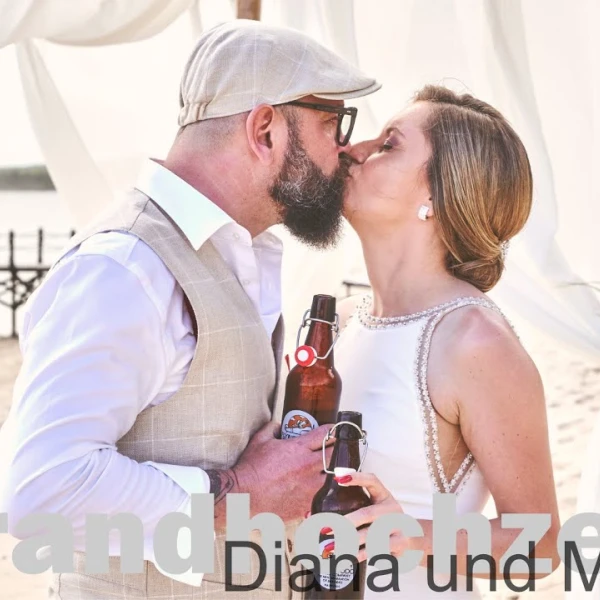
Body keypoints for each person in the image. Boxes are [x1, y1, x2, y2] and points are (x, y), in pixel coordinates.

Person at [0, 19, 381, 599]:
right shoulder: (125, 268)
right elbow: (37, 490)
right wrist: (231, 493)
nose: (346, 150)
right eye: (333, 124)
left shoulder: (236, 255)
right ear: (264, 129)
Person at [326, 85, 562, 597]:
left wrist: (415, 534)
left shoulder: (475, 341)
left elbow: (540, 546)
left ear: (435, 196)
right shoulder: (343, 323)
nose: (352, 149)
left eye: (388, 144)